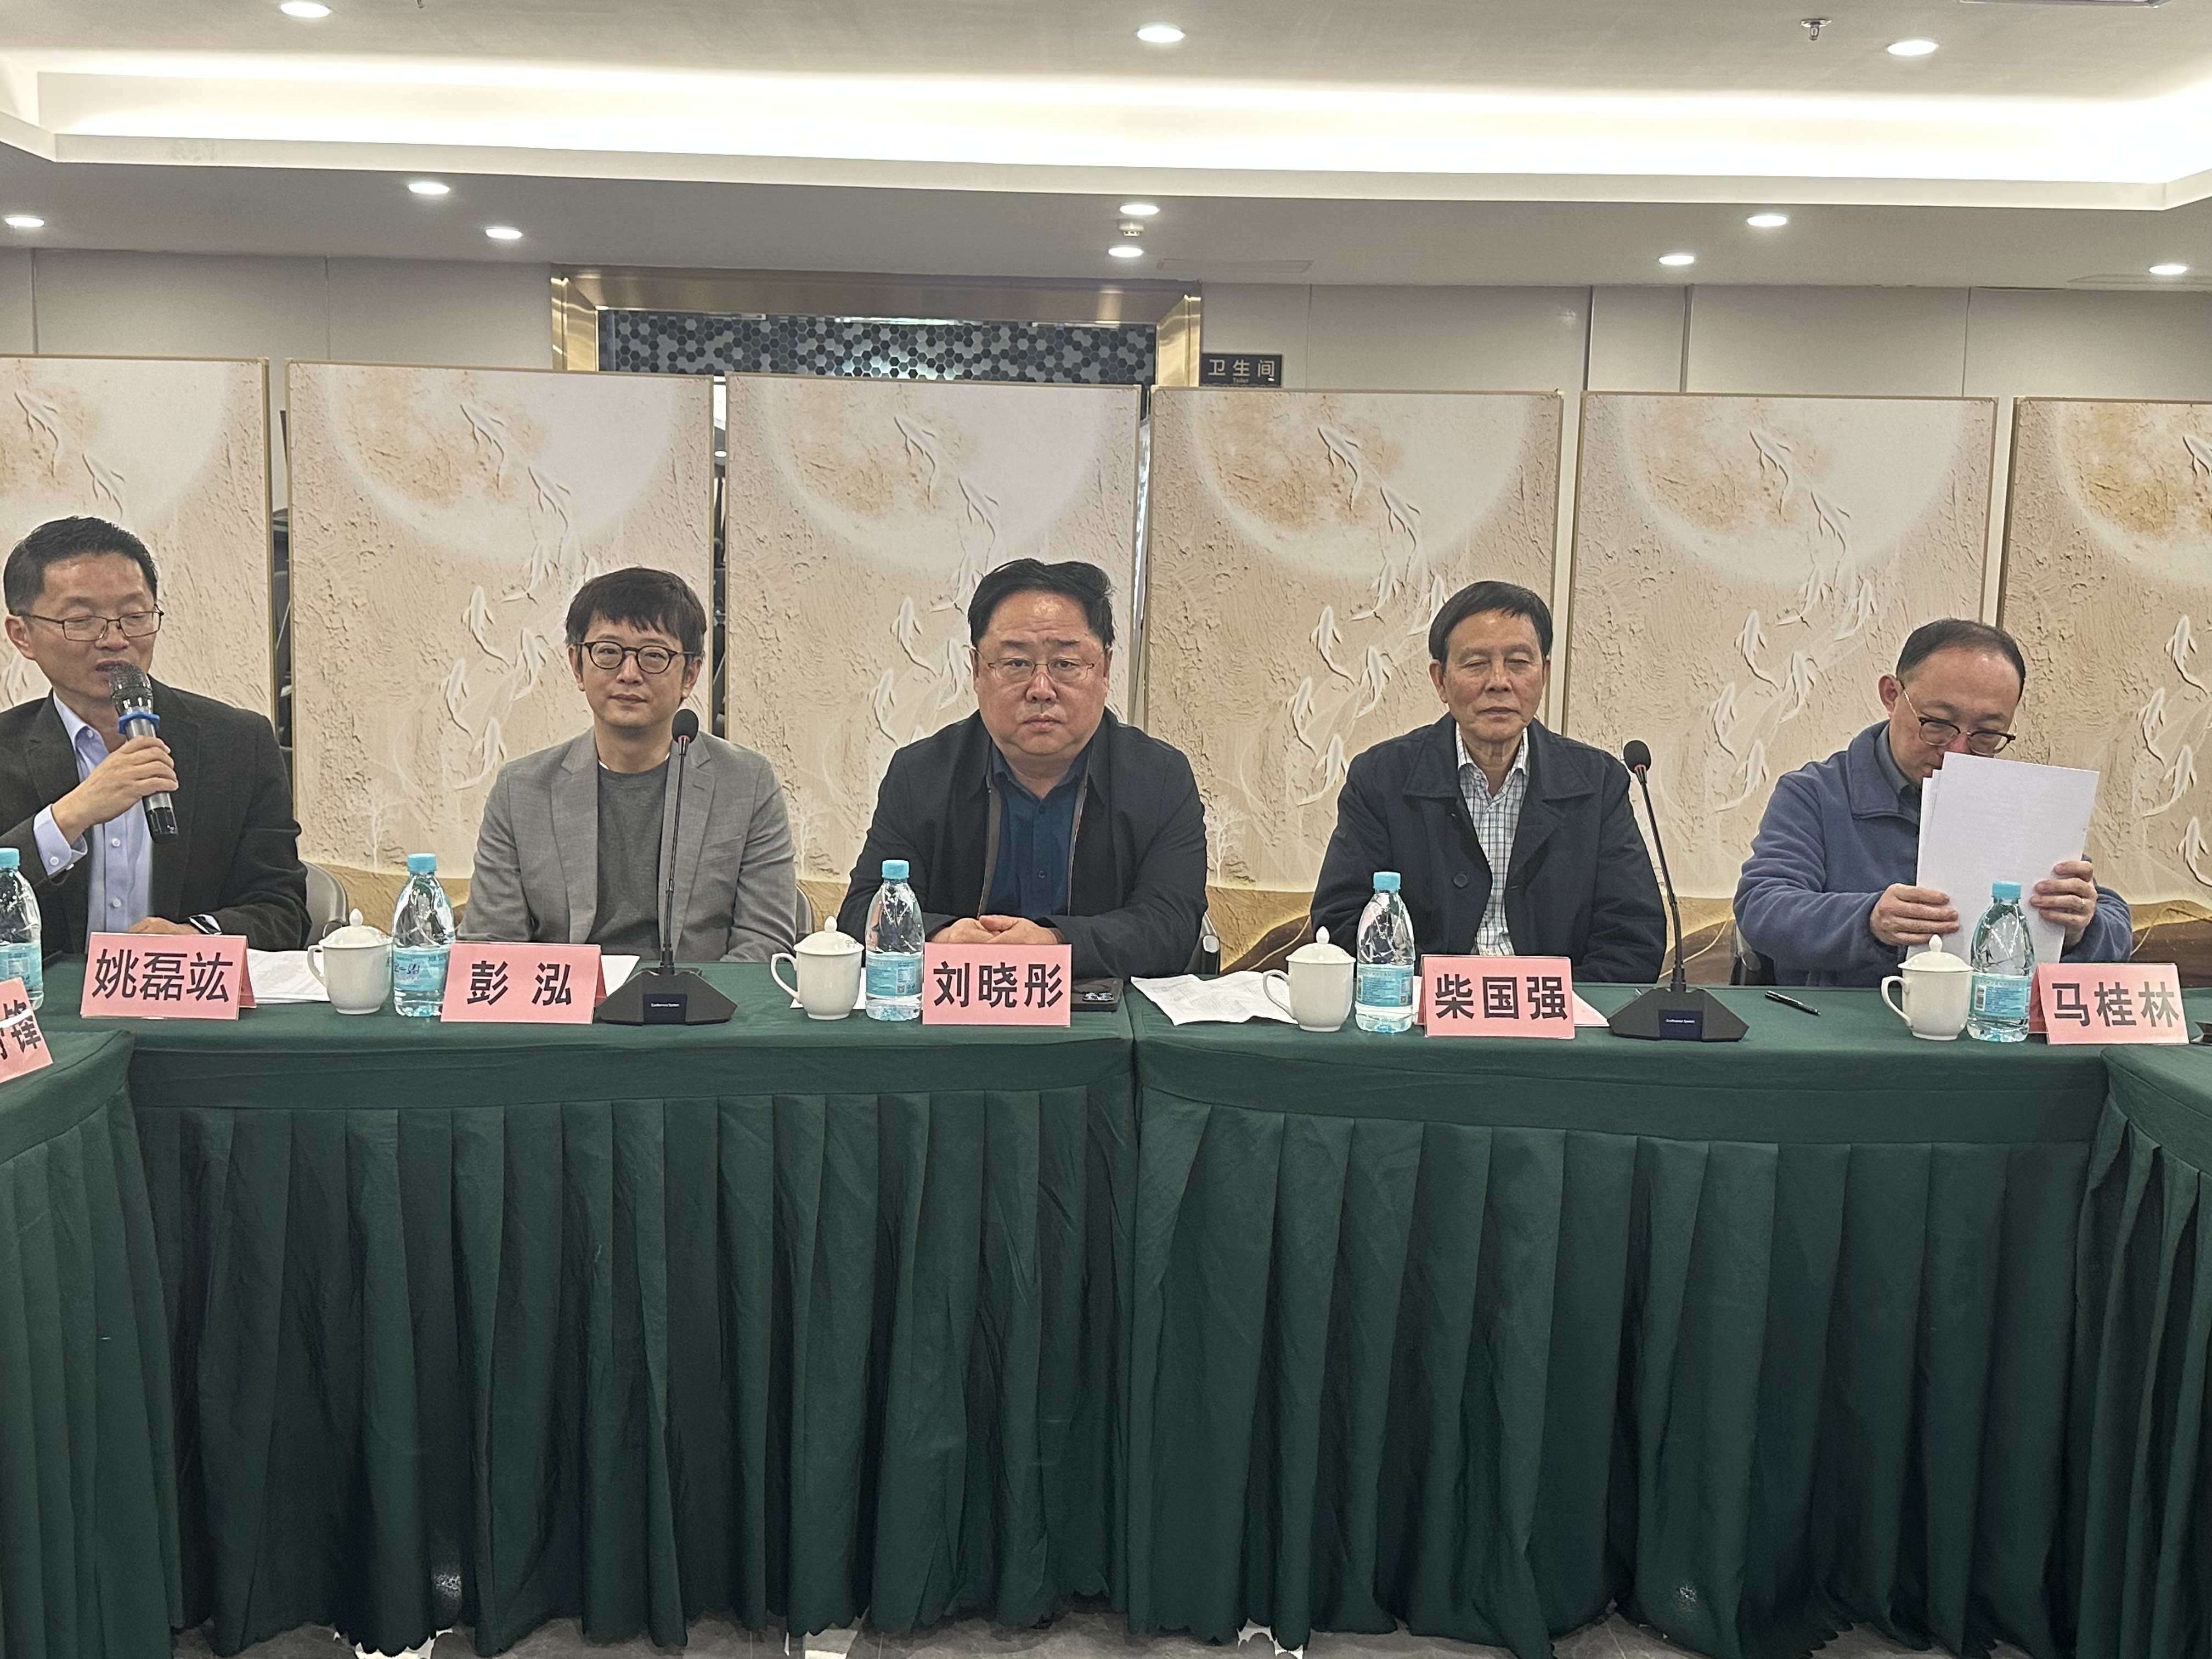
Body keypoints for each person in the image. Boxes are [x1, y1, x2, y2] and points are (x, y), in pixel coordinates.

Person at [837, 558, 1206, 980]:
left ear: (1104, 670)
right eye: (1016, 663)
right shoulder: (920, 775)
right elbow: (863, 913)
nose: (1041, 690)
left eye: (1065, 664)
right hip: (959, 1012)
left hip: (1100, 1014)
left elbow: (1170, 928)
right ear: (978, 671)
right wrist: (940, 938)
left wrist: (1055, 945)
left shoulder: (1160, 779)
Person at [1735, 618, 2132, 988]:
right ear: (1892, 695)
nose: (1957, 751)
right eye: (1938, 724)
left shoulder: (2016, 802)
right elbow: (1762, 906)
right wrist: (1869, 921)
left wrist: (2080, 928)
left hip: (1987, 1020)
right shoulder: (1817, 794)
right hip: (1842, 1025)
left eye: (1986, 735)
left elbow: (2114, 923)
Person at [1310, 579, 1667, 982]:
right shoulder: (1381, 778)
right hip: (1422, 1010)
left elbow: (1632, 937)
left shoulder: (1598, 784)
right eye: (1476, 664)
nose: (1499, 681)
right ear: (1441, 681)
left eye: (1519, 662)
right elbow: (1343, 920)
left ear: (1544, 674)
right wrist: (1427, 993)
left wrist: (1558, 1004)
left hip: (1557, 1014)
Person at [0, 515, 310, 953]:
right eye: (81, 620)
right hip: (49, 997)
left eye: (134, 616)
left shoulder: (238, 743)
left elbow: (283, 910)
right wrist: (67, 818)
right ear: (22, 636)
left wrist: (196, 937)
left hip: (182, 993)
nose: (114, 639)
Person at [463, 566, 798, 962]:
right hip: (568, 999)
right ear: (577, 666)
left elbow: (764, 943)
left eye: (654, 655)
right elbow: (490, 947)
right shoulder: (520, 790)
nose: (629, 674)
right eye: (608, 652)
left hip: (696, 997)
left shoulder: (747, 784)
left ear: (690, 675)